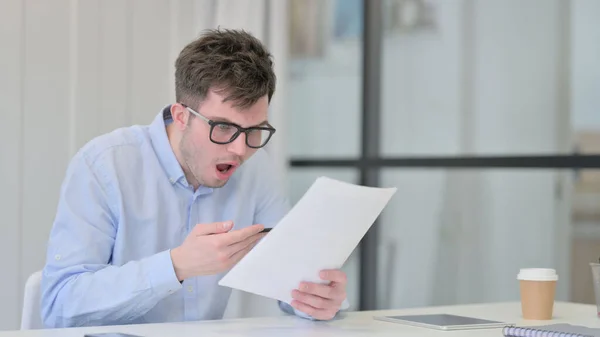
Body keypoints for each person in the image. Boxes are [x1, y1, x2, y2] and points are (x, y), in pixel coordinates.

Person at [40, 28, 348, 328]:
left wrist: (318, 299)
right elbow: (59, 305)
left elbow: (290, 276)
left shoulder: (257, 169)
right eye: (224, 128)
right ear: (182, 116)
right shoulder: (104, 166)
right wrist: (176, 265)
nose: (240, 149)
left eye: (255, 131)